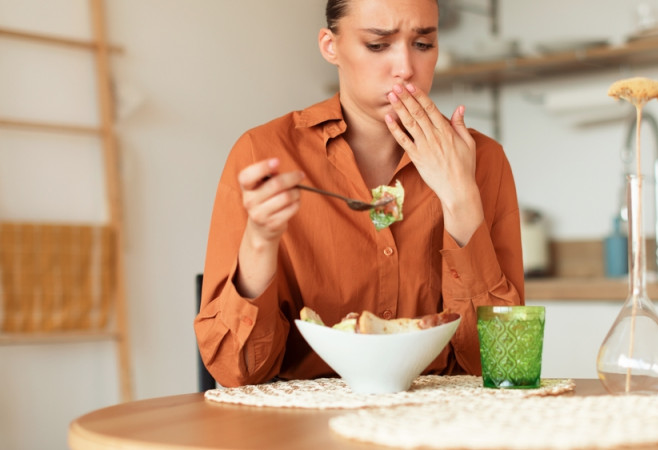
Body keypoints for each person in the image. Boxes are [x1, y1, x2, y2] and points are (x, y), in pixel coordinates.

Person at [195, 0, 524, 388]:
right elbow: (238, 370)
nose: (405, 67)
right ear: (330, 46)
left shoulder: (482, 160)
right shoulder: (264, 153)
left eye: (422, 44)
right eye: (378, 44)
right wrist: (260, 243)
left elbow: (505, 365)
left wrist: (460, 200)